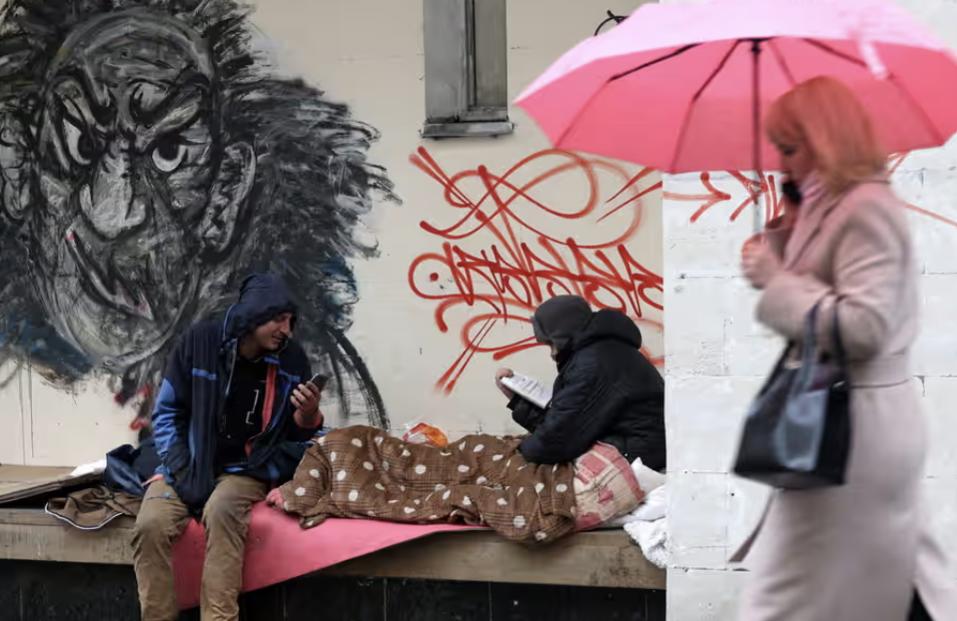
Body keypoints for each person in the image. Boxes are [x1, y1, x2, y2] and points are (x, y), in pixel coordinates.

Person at [738, 76, 957, 621]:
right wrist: (786, 235)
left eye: (790, 148)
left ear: (825, 139)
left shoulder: (866, 209)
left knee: (788, 594)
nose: (782, 162)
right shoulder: (830, 204)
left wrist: (776, 280)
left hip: (853, 428)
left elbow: (864, 326)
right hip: (845, 421)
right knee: (879, 578)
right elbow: (827, 290)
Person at [132, 273, 324, 621]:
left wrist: (308, 414)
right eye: (279, 319)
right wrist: (182, 470)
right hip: (188, 462)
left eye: (291, 322)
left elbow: (297, 438)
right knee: (151, 525)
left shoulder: (292, 359)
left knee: (221, 512)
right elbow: (167, 412)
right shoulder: (199, 343)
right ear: (255, 313)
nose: (286, 330)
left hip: (247, 469)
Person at [494, 295, 666, 470]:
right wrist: (516, 400)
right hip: (640, 446)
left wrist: (519, 452)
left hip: (638, 454)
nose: (552, 354)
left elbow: (559, 438)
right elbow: (566, 422)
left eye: (551, 344)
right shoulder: (603, 351)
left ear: (562, 336)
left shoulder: (592, 363)